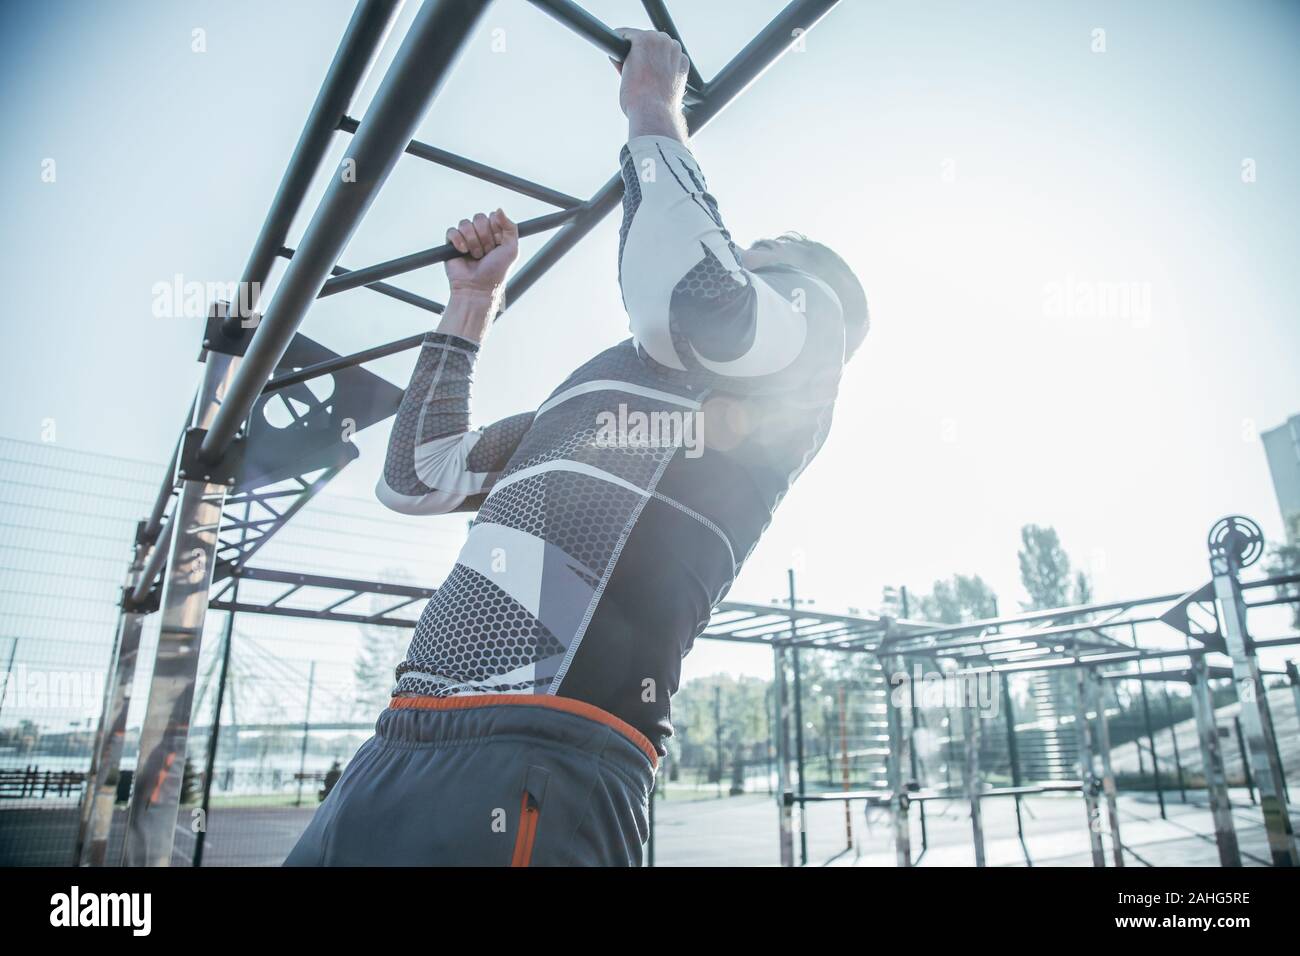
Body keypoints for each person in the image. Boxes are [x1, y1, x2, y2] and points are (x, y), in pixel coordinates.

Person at [285, 27, 868, 867]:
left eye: (758, 250)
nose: (737, 247)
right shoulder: (597, 395)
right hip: (397, 743)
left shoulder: (806, 350)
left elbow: (691, 297)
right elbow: (418, 477)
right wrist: (472, 304)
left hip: (544, 749)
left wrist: (652, 108)